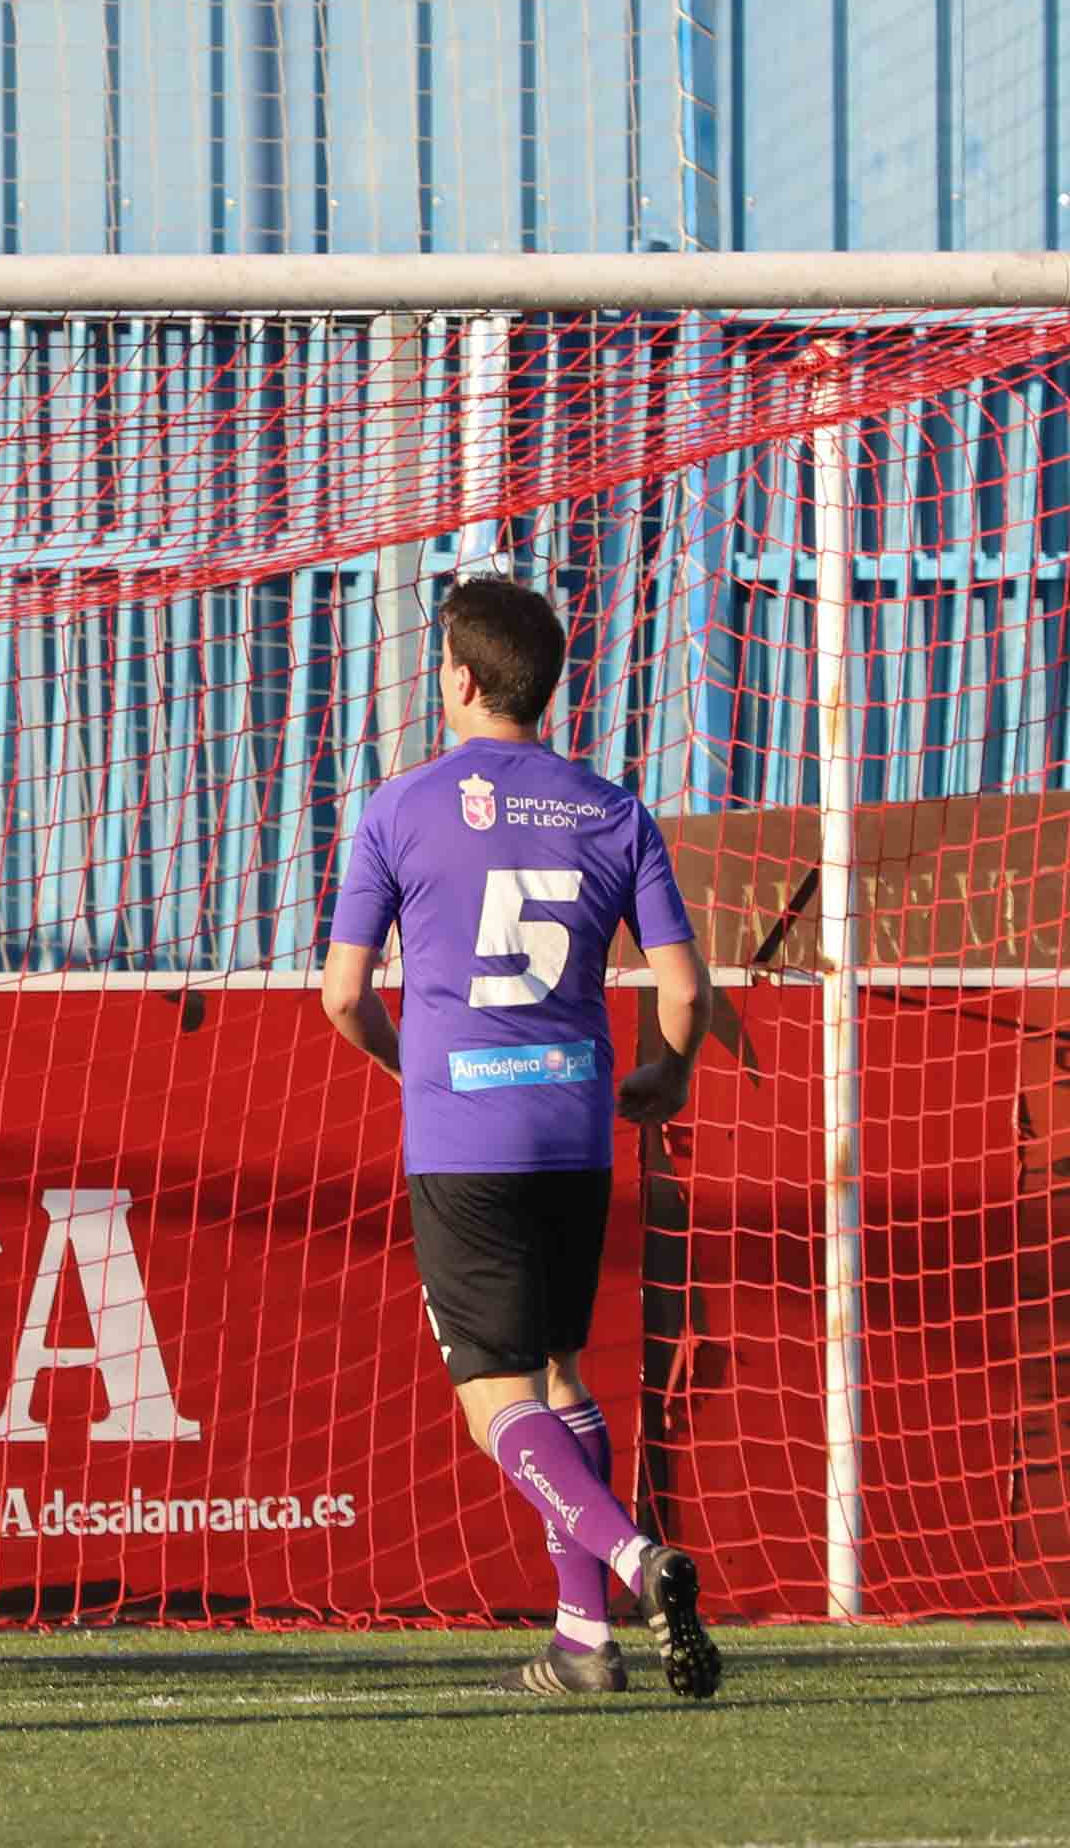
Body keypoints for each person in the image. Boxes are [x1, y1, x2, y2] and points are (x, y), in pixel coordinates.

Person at [320, 576, 724, 1700]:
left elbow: (344, 996)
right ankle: (583, 1640)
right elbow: (684, 989)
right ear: (543, 687)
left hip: (465, 1133)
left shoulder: (398, 807)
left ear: (458, 677)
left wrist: (418, 1068)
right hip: (576, 1126)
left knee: (495, 1394)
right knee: (559, 1369)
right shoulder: (611, 807)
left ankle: (636, 1556)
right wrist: (668, 1072)